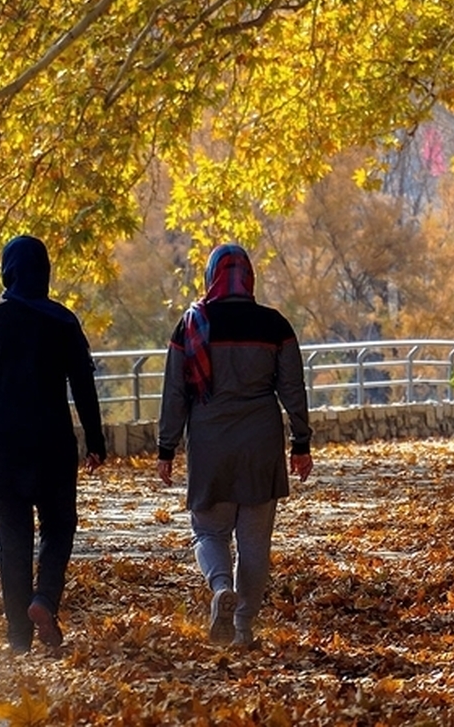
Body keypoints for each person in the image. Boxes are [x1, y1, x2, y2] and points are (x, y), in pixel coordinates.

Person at [0, 235, 107, 654]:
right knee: (60, 526)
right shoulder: (63, 321)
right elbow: (83, 385)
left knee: (13, 543)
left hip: (2, 444)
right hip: (51, 441)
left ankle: (18, 640)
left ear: (9, 270)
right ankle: (44, 599)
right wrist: (95, 440)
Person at [156, 243, 312, 649]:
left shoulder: (191, 324)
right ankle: (243, 627)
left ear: (211, 277)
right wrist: (301, 442)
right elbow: (293, 388)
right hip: (261, 443)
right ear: (250, 278)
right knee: (255, 543)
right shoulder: (275, 326)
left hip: (210, 444)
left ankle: (221, 587)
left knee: (208, 532)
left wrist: (166, 448)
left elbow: (175, 392)